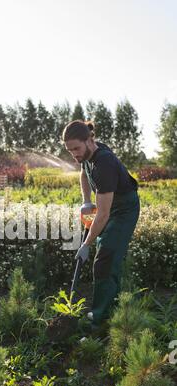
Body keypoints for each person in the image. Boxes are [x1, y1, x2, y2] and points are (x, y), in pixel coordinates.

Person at [62, 120, 140, 326]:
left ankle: (101, 318)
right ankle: (112, 304)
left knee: (105, 256)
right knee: (105, 254)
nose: (74, 154)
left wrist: (86, 244)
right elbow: (83, 173)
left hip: (124, 210)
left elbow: (103, 214)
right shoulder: (87, 154)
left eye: (76, 148)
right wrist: (86, 201)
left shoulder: (104, 163)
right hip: (110, 207)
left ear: (89, 140)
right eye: (70, 151)